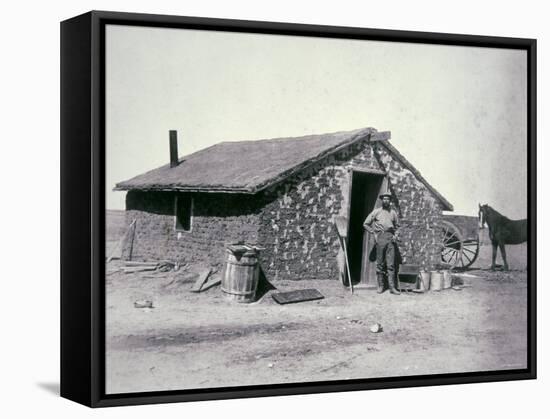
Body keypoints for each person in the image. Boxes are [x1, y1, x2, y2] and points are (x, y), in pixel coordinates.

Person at [363, 193, 400, 295]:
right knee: (380, 264)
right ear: (382, 200)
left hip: (390, 239)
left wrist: (395, 235)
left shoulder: (393, 213)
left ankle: (392, 287)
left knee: (391, 264)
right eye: (384, 199)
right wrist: (373, 232)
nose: (386, 201)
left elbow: (398, 226)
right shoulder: (376, 212)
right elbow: (365, 224)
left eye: (388, 199)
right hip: (380, 238)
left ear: (390, 201)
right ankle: (381, 286)